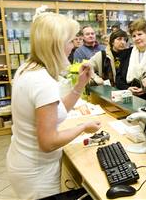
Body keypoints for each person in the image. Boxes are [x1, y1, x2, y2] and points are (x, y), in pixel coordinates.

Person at [6, 12, 101, 199]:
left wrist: (79, 85)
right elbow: (48, 143)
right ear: (56, 45)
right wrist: (82, 127)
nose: (73, 46)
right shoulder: (42, 82)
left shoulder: (28, 68)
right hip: (37, 173)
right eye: (70, 41)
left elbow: (57, 111)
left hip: (23, 161)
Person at [116, 18, 146, 96]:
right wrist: (127, 88)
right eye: (134, 36)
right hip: (129, 97)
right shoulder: (126, 53)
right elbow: (119, 78)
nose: (137, 38)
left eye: (140, 34)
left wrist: (145, 89)